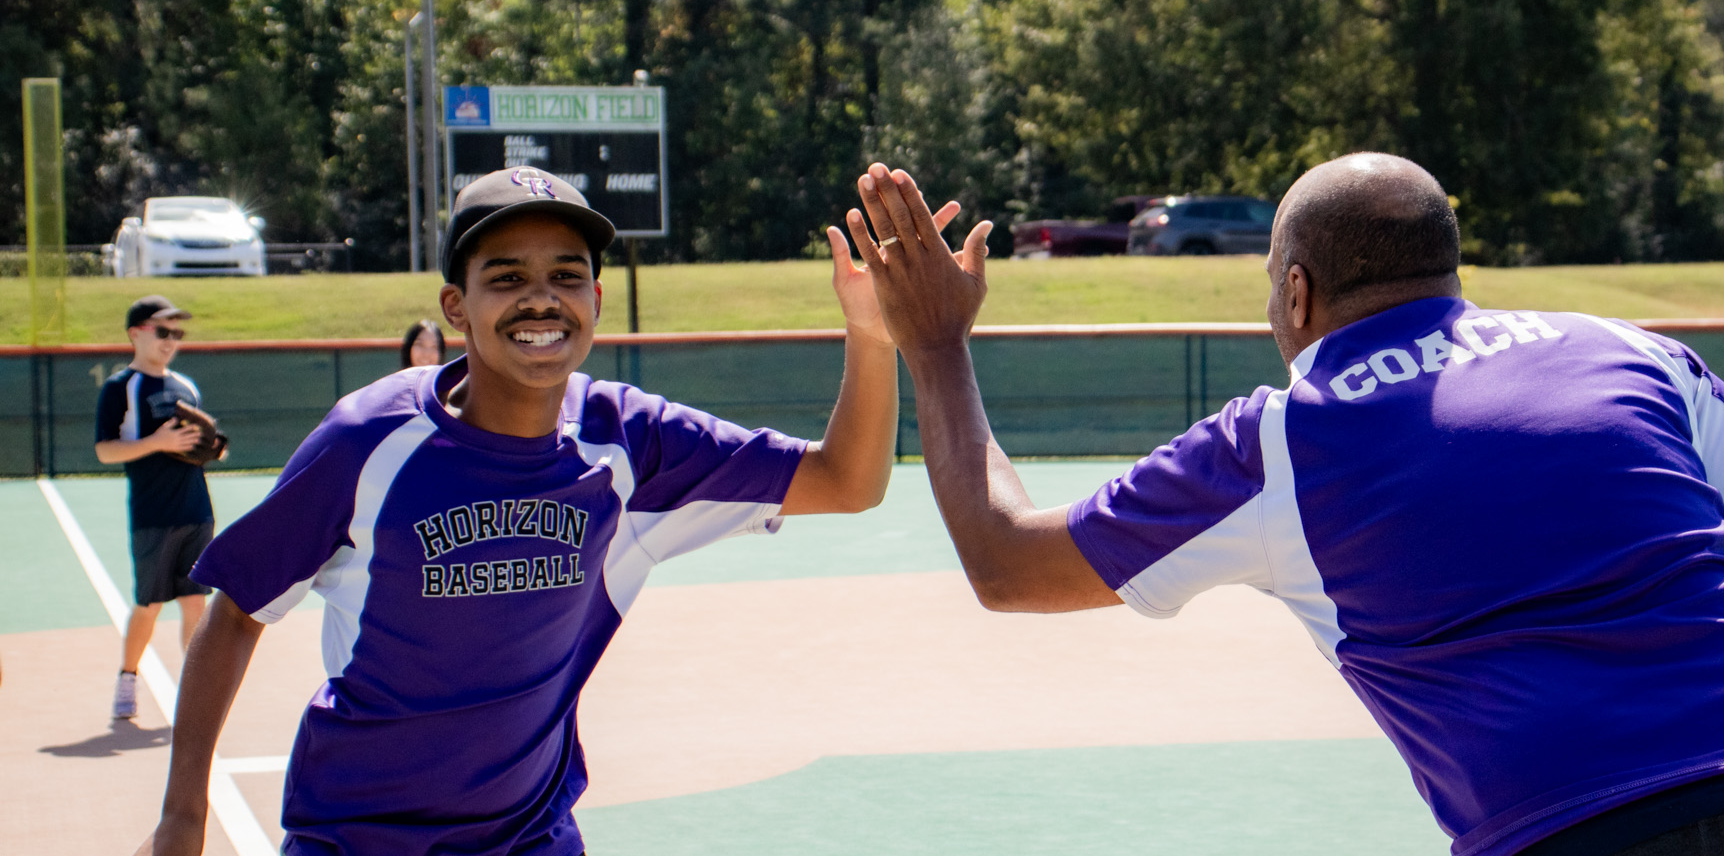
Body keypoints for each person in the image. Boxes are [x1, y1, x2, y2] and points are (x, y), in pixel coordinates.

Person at [848, 156, 1724, 856]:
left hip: (1577, 828)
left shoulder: (1281, 441)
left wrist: (934, 343)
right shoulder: (1632, 353)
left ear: (1297, 292)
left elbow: (1008, 563)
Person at [138, 166, 959, 856]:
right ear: (455, 307)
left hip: (529, 837)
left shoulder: (630, 443)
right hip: (359, 835)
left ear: (596, 298)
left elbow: (849, 481)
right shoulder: (369, 441)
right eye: (506, 278)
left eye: (566, 275)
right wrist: (182, 814)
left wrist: (869, 334)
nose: (541, 300)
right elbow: (238, 607)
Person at [95, 295, 215, 720]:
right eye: (162, 331)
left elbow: (197, 447)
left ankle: (195, 691)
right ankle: (128, 677)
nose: (170, 341)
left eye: (176, 333)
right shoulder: (121, 388)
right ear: (136, 333)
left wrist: (209, 449)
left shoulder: (186, 387)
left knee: (195, 603)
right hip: (153, 515)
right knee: (149, 604)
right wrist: (156, 443)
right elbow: (105, 451)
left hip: (196, 510)